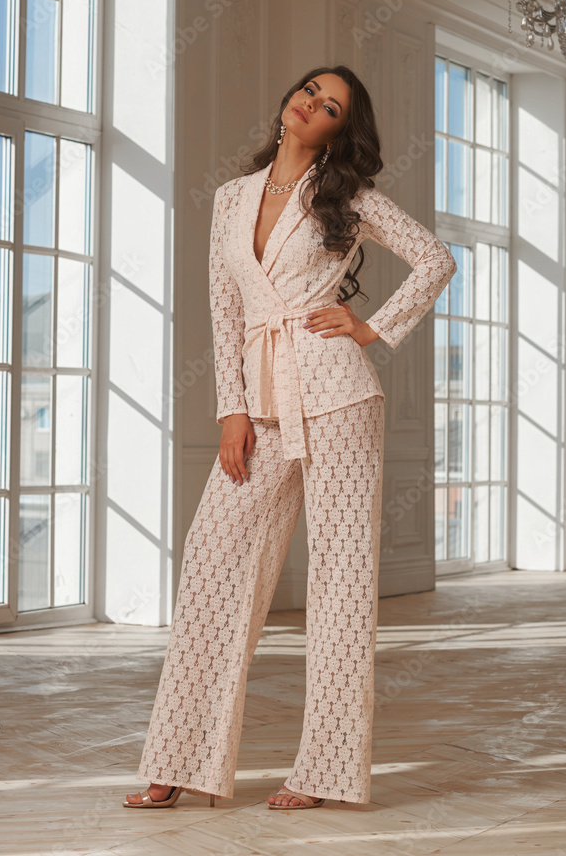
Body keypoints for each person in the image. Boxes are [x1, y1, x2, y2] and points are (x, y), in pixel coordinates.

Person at [124, 64, 457, 811]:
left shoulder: (349, 197)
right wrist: (231, 411)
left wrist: (371, 327)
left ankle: (324, 771)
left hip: (340, 397)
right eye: (310, 91)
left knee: (341, 582)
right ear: (289, 100)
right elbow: (225, 311)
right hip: (262, 403)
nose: (312, 104)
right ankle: (177, 758)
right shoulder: (231, 198)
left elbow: (436, 258)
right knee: (212, 568)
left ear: (340, 130)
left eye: (330, 105)